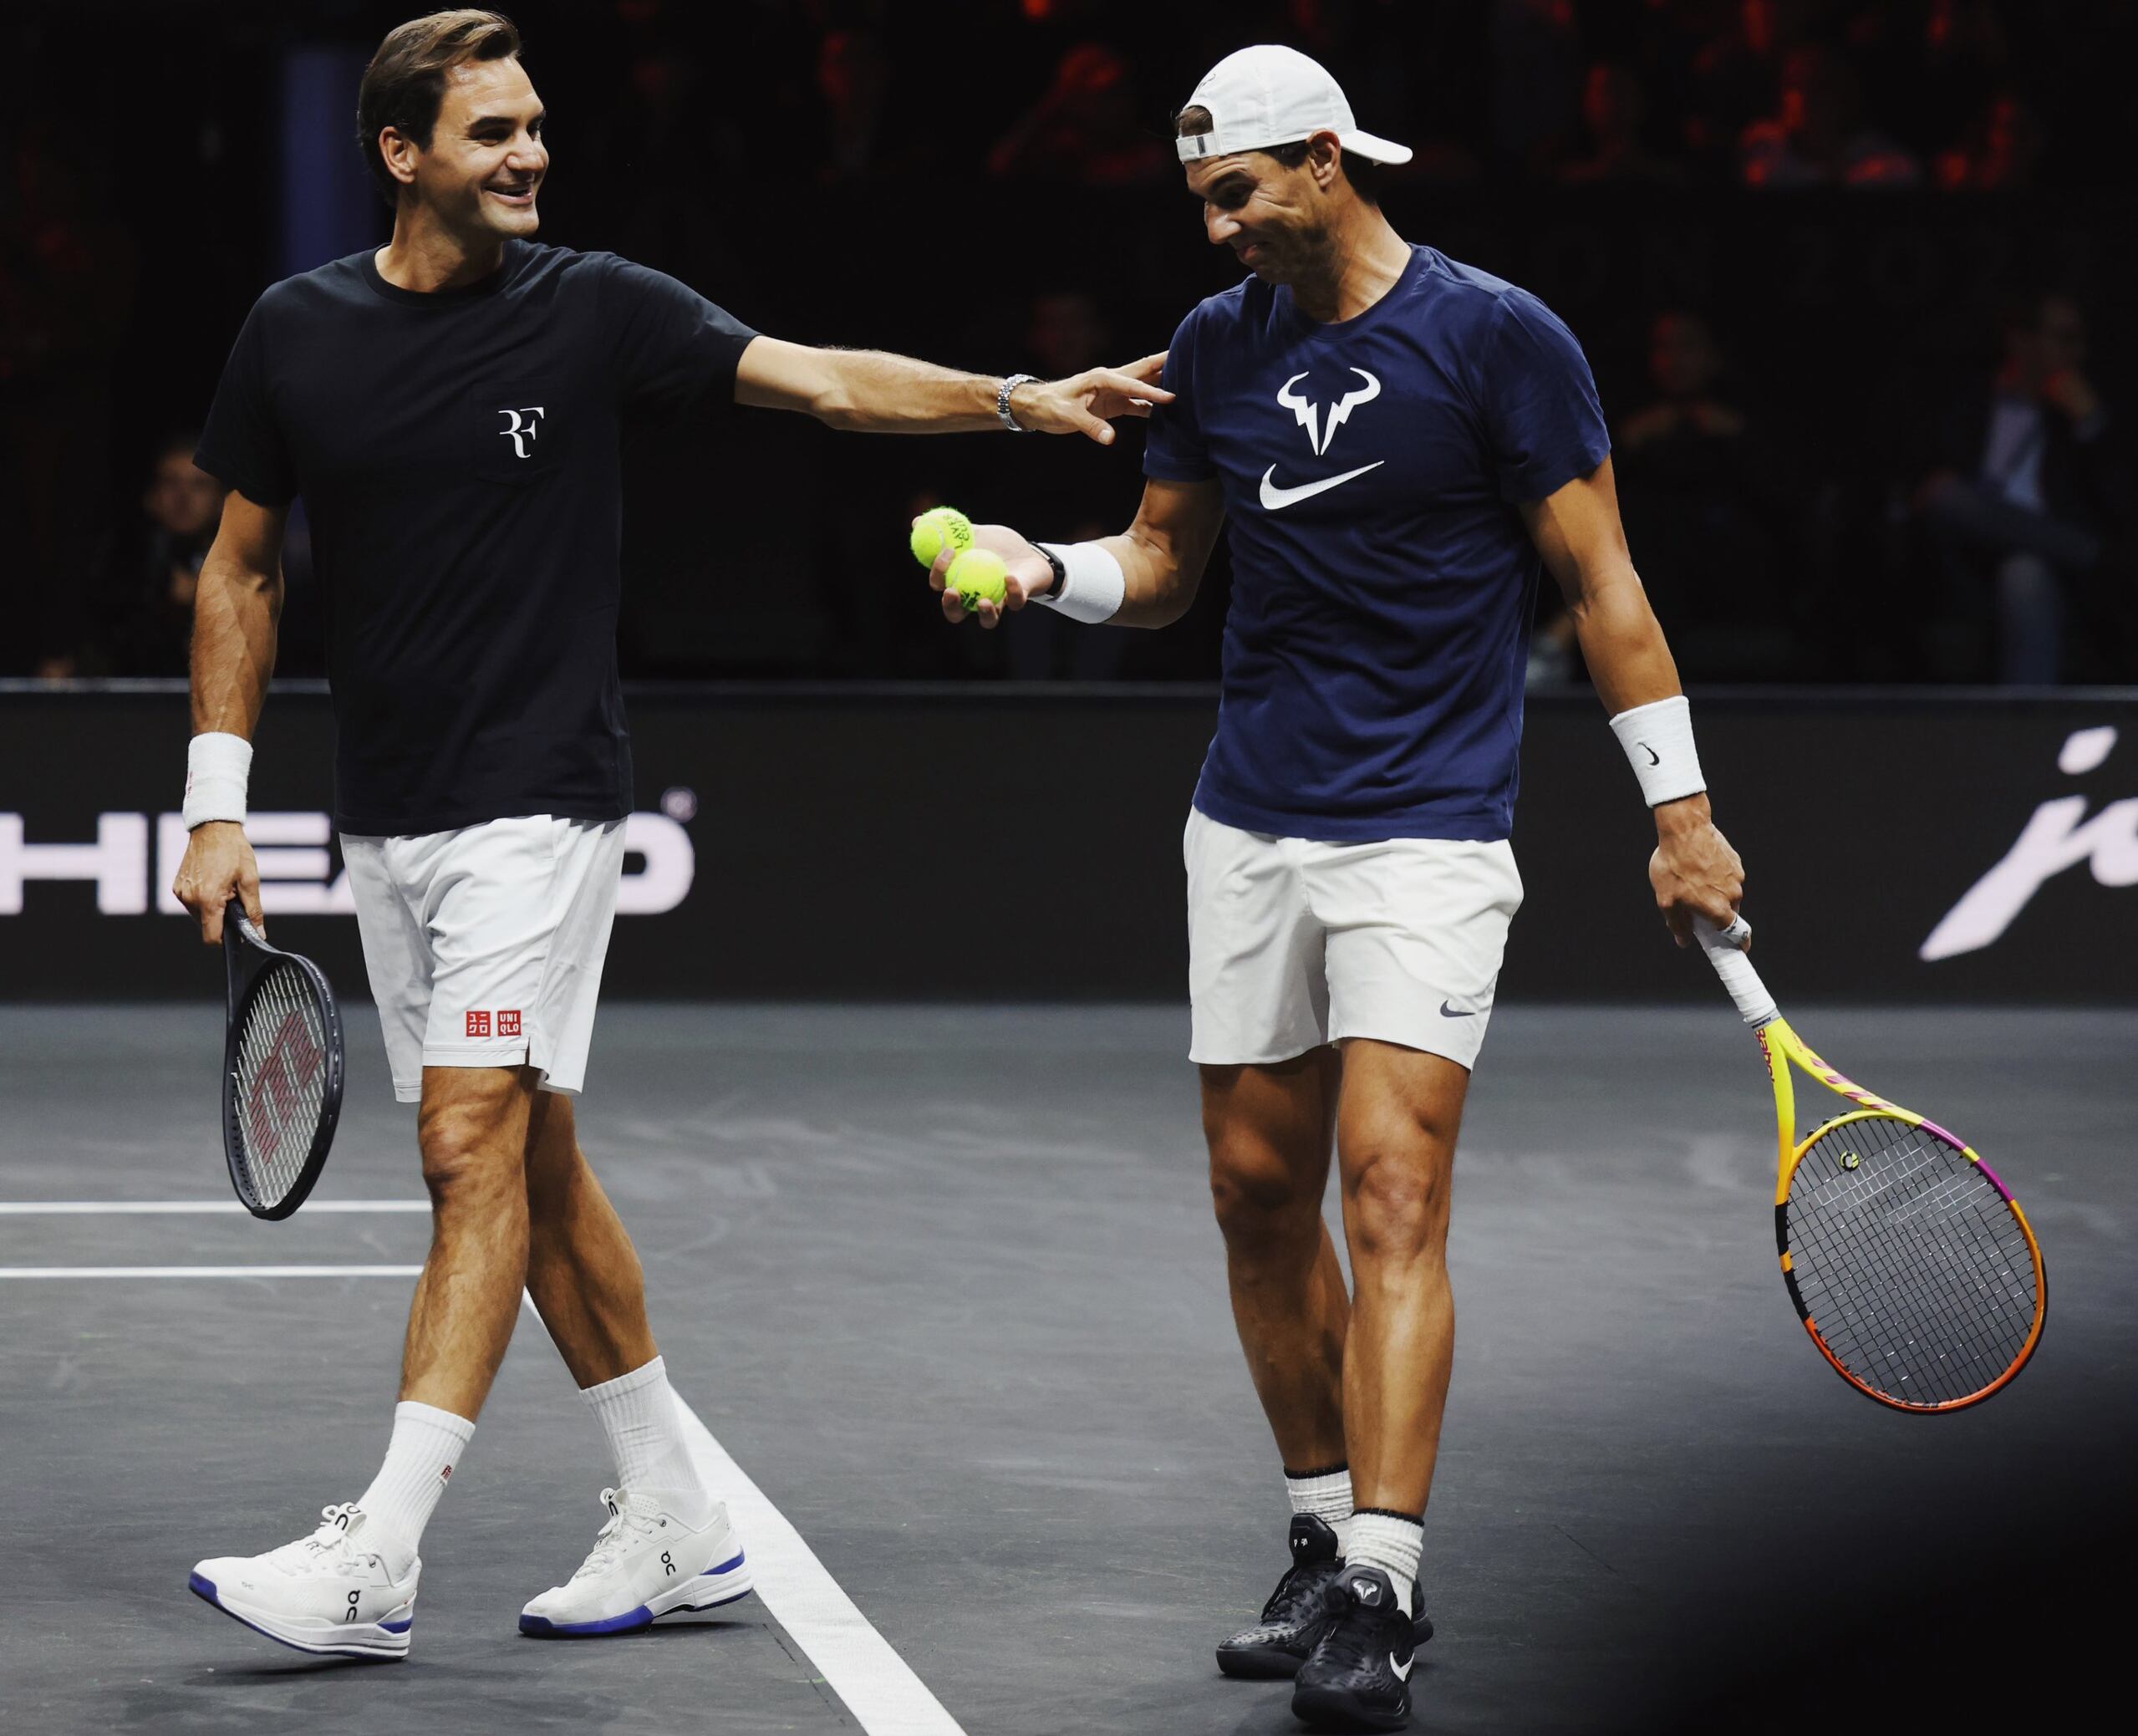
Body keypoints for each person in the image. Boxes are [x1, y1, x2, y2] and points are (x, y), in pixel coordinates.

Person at [171, 8, 1166, 1662]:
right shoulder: (295, 332)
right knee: (535, 1167)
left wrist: (1012, 399)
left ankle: (380, 1555)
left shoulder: (596, 307)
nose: (531, 153)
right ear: (402, 152)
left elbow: (826, 383)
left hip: (542, 800)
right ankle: (677, 1515)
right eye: (492, 132)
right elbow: (242, 567)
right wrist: (218, 802)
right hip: (389, 821)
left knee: (470, 1151)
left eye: (537, 125)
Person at [926, 44, 1744, 1732]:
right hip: (1245, 822)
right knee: (1251, 1193)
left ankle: (1382, 1574)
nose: (1216, 228)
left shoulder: (1499, 337)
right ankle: (1312, 1531)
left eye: (1235, 192)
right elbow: (1160, 577)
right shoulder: (1219, 348)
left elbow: (1602, 586)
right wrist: (1036, 568)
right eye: (1199, 201)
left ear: (1320, 162)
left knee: (1391, 1194)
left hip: (1428, 831)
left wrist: (1681, 814)